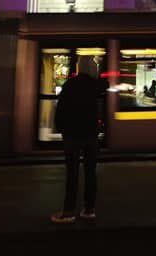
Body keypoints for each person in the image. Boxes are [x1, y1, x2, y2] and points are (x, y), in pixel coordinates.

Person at [50, 56, 107, 224]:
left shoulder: (70, 85)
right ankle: (89, 209)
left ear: (79, 68)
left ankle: (68, 211)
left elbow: (61, 109)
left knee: (72, 173)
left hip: (72, 135)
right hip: (91, 135)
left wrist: (61, 129)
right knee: (90, 173)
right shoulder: (96, 86)